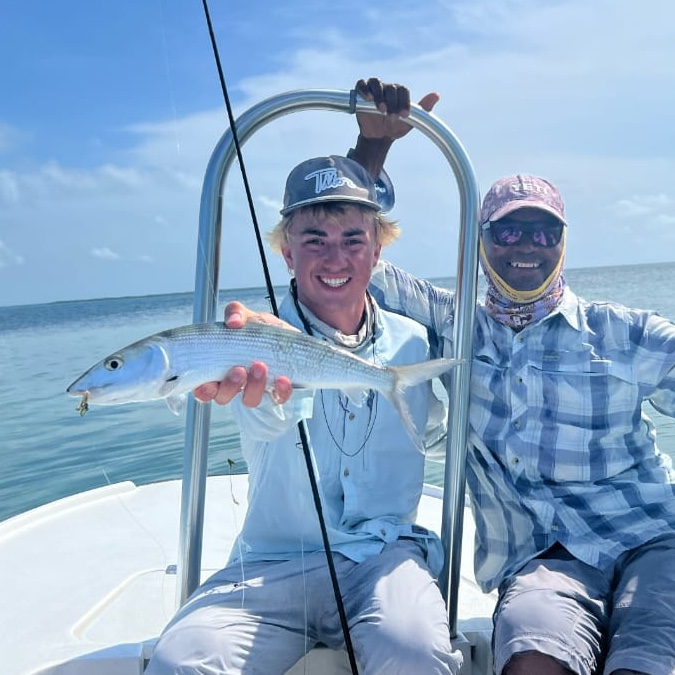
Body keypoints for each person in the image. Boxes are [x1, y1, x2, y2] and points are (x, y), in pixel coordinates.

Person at [222, 79, 675, 675]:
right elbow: (345, 257)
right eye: (509, 231)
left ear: (563, 246)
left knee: (646, 664)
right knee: (530, 663)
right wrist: (373, 148)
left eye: (544, 232)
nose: (528, 246)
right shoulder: (452, 321)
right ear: (483, 242)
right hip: (544, 561)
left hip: (660, 535)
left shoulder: (619, 330)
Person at [145, 153, 463, 674]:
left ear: (378, 250)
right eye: (314, 239)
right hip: (271, 563)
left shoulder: (413, 343)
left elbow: (434, 432)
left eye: (352, 240)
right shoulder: (250, 340)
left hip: (382, 555)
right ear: (287, 253)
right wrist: (273, 391)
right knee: (181, 663)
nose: (334, 258)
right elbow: (267, 423)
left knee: (417, 655)